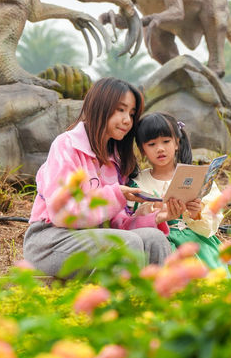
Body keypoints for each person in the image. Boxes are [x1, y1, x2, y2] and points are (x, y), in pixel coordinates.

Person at [23, 78, 171, 277]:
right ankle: (110, 306)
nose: (127, 120)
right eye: (121, 110)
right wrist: (116, 194)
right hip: (51, 239)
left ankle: (155, 305)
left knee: (154, 238)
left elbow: (116, 224)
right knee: (126, 243)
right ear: (100, 106)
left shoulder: (115, 160)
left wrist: (153, 217)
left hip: (96, 236)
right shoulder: (67, 146)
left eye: (132, 113)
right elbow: (63, 213)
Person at [132, 113, 224, 269]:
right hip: (160, 246)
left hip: (198, 244)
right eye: (152, 144)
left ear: (177, 143)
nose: (160, 148)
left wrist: (196, 213)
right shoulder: (137, 183)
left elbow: (215, 212)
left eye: (166, 141)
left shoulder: (197, 176)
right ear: (142, 149)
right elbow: (131, 220)